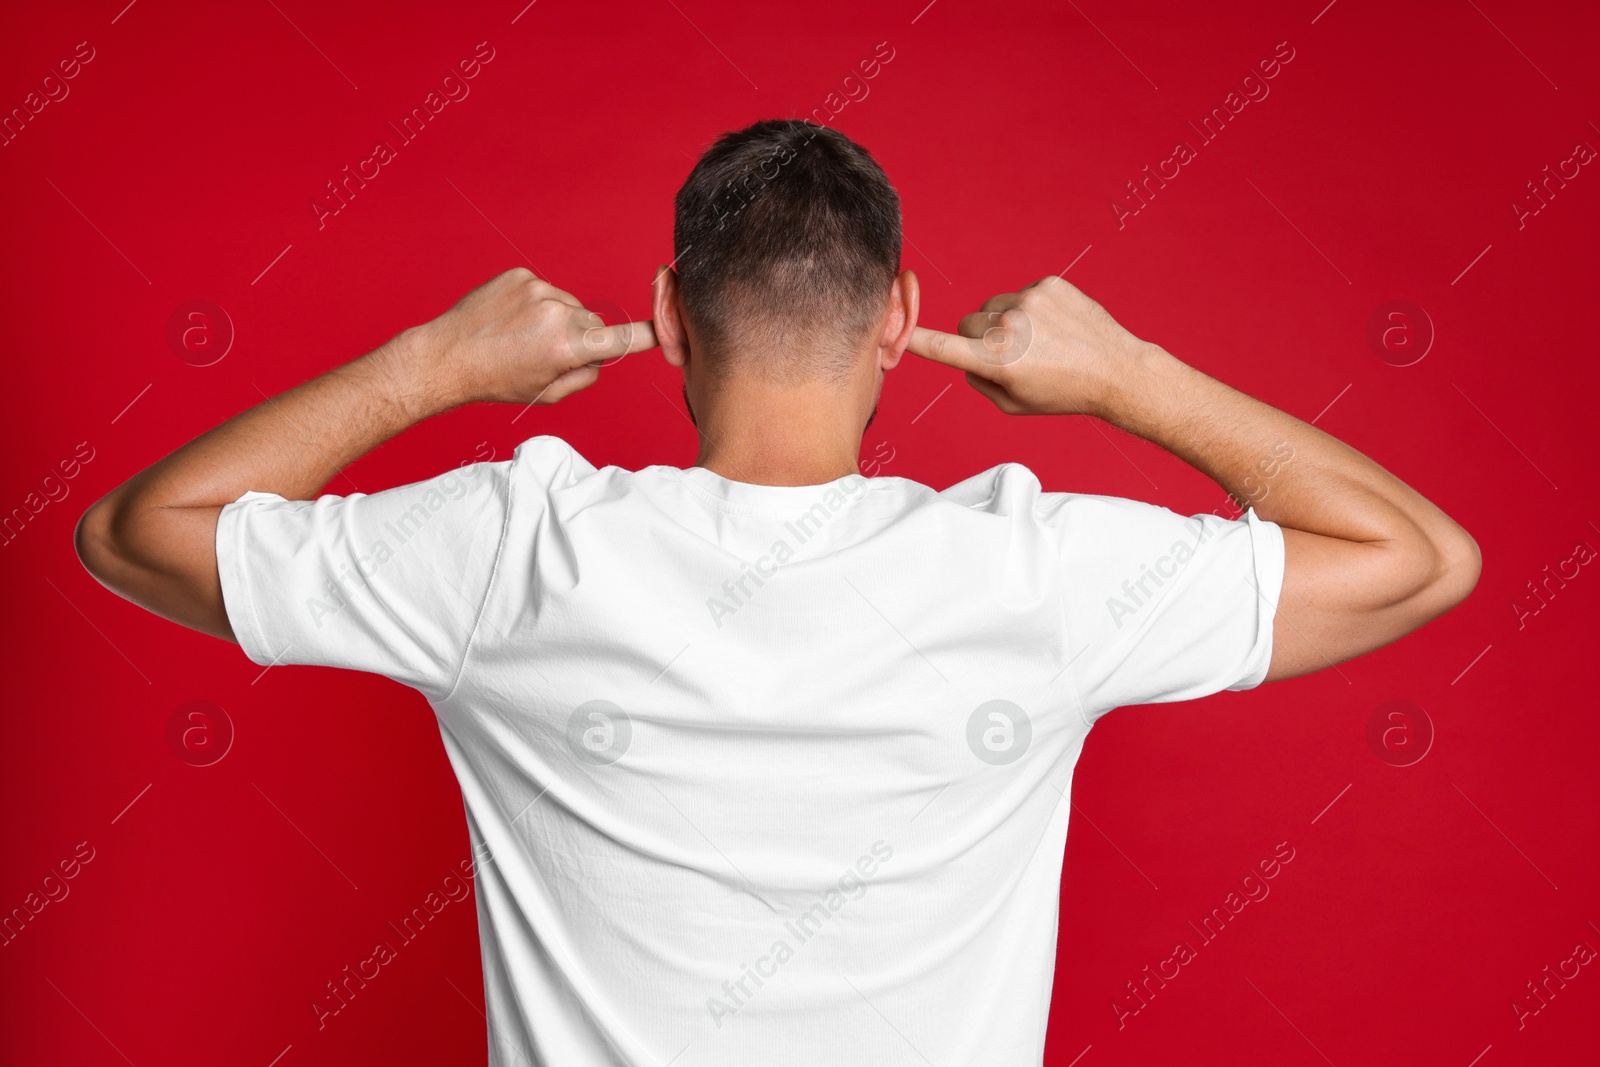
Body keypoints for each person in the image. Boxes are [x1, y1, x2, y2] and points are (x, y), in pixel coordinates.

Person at [74, 119, 1479, 1066]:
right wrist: (1129, 378)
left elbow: (138, 534)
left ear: (672, 315)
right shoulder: (1034, 569)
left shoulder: (513, 547)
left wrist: (429, 366)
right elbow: (1419, 560)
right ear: (902, 320)